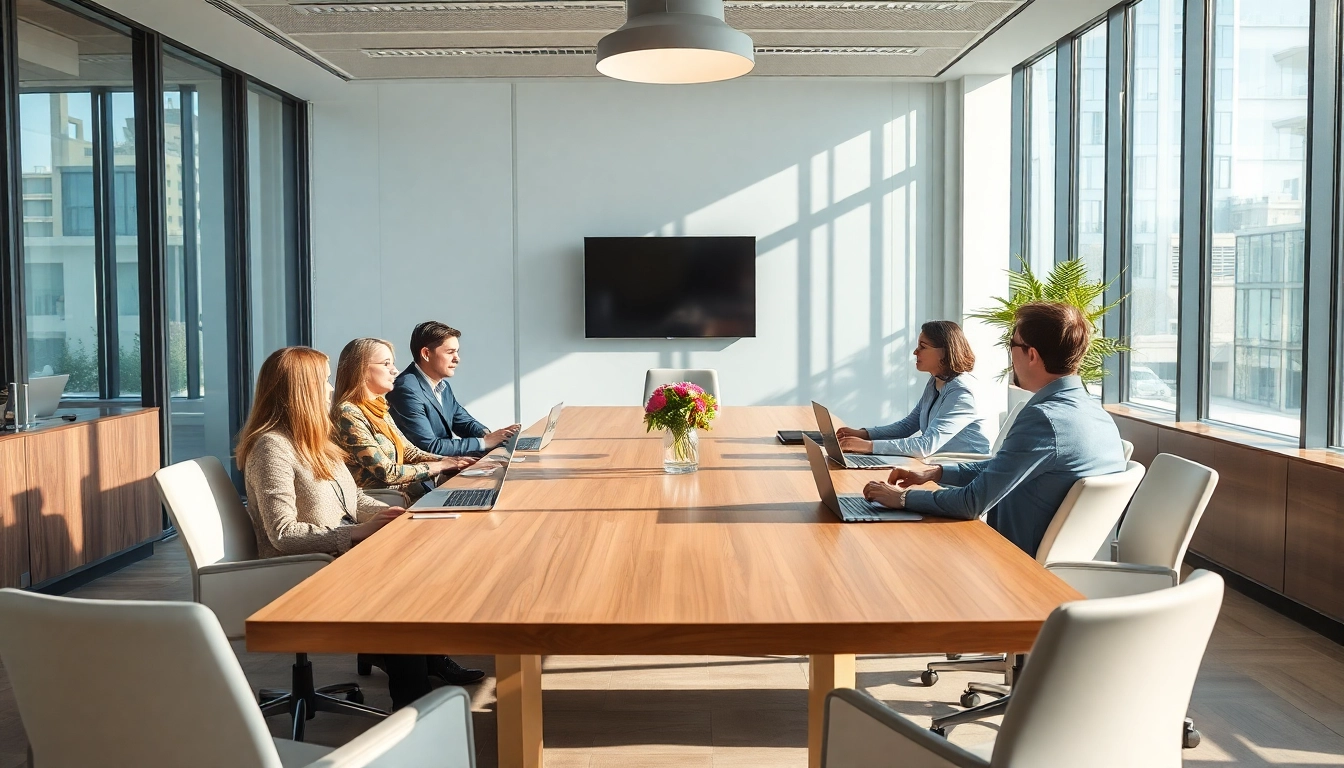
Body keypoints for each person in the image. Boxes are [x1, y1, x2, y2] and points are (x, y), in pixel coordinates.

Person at [236, 346, 483, 710]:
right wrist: (353, 533)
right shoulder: (272, 449)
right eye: (322, 382)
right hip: (304, 566)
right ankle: (413, 705)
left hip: (335, 553)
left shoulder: (317, 442)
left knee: (420, 562)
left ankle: (422, 671)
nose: (330, 389)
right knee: (399, 587)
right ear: (301, 391)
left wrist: (390, 517)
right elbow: (282, 535)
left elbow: (353, 503)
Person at [861, 302, 1126, 556]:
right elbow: (1002, 468)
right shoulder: (1096, 415)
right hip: (1055, 564)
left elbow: (972, 503)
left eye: (1012, 344)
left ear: (1031, 354)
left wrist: (903, 498)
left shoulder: (1043, 419)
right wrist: (936, 472)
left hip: (1010, 562)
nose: (1009, 354)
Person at [332, 337, 479, 503]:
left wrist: (452, 461)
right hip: (379, 502)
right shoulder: (347, 412)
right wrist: (440, 466)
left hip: (406, 493)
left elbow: (410, 451)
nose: (395, 370)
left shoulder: (379, 407)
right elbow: (386, 472)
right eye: (386, 363)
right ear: (361, 369)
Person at [835, 320, 991, 459]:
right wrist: (862, 434)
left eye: (922, 347)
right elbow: (907, 426)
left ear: (944, 351)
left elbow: (926, 445)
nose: (915, 352)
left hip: (962, 474)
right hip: (937, 464)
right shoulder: (935, 381)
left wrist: (868, 446)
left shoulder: (961, 393)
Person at [387, 321, 520, 456]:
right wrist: (485, 442)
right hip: (427, 473)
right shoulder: (406, 389)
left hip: (446, 464)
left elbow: (463, 421)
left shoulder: (442, 386)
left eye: (457, 352)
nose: (457, 359)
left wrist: (495, 437)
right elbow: (429, 447)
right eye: (450, 352)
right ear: (426, 354)